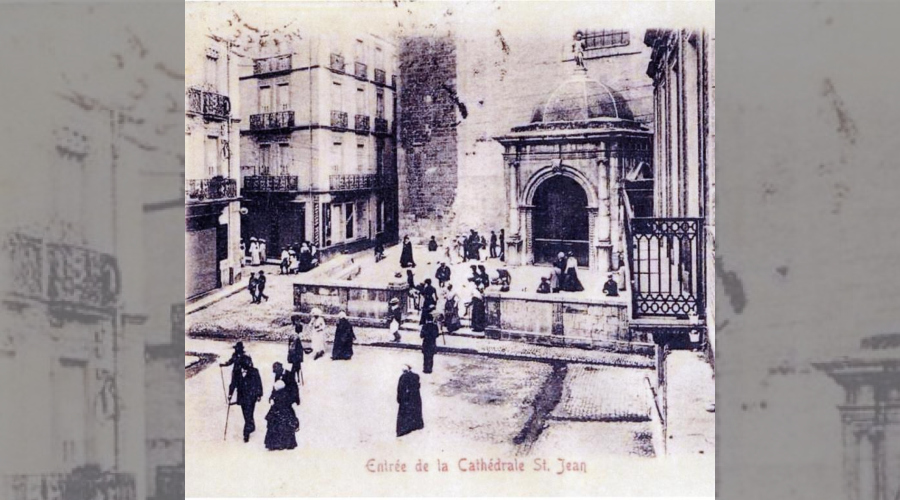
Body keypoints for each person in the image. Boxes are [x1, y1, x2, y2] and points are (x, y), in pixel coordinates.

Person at [264, 373, 299, 451]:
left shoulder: (276, 395)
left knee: (274, 427)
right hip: (286, 412)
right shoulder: (286, 394)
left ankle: (275, 443)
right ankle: (287, 443)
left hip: (276, 412)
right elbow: (290, 402)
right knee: (286, 428)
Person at [232, 357, 263, 442]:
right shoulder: (237, 372)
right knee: (247, 415)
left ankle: (246, 433)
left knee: (248, 414)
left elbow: (258, 383)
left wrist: (259, 394)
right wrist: (230, 394)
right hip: (242, 397)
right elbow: (233, 383)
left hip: (251, 397)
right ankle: (251, 425)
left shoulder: (254, 371)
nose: (249, 364)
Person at [396, 365, 424, 437]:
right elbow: (418, 386)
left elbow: (399, 389)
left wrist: (399, 399)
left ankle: (404, 429)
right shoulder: (416, 376)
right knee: (415, 412)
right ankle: (416, 425)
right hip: (415, 398)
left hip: (405, 399)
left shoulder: (402, 378)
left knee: (405, 414)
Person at [287, 316, 306, 383]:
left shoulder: (300, 327)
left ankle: (297, 378)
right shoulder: (292, 329)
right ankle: (293, 378)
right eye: (297, 320)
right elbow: (292, 341)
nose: (298, 322)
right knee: (295, 364)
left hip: (297, 348)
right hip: (294, 349)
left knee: (297, 364)